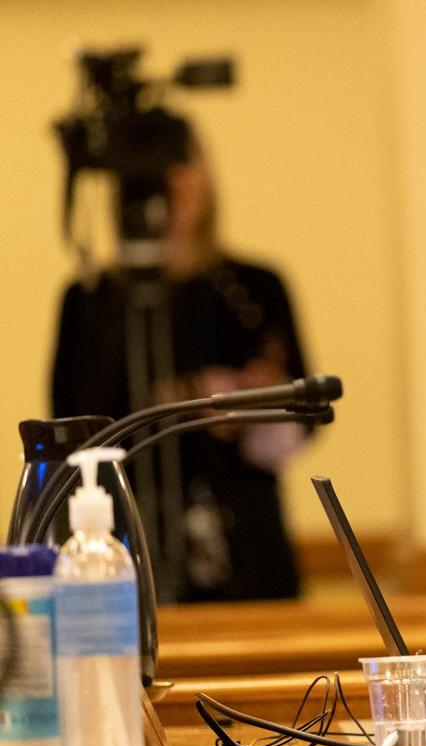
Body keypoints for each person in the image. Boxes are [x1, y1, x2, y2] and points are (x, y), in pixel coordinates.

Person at [51, 134, 309, 602]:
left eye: (181, 164)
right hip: (122, 546)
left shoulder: (253, 290)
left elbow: (308, 412)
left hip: (248, 551)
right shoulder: (90, 302)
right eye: (154, 172)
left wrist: (244, 403)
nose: (171, 183)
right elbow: (70, 426)